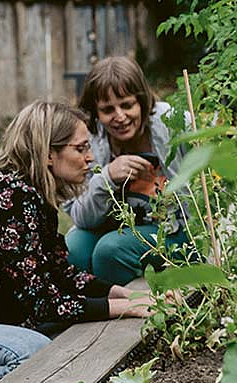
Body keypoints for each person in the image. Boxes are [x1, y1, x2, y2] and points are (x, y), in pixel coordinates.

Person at [0, 101, 162, 383]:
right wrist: (127, 309)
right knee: (33, 351)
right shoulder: (5, 197)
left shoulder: (28, 194)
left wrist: (128, 295)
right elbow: (44, 303)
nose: (90, 158)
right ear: (49, 154)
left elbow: (59, 272)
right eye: (80, 148)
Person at [65, 56, 191, 285]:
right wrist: (107, 178)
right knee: (73, 251)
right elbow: (81, 217)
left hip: (173, 230)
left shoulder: (172, 123)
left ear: (142, 102)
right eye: (107, 110)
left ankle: (127, 306)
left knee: (110, 251)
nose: (119, 117)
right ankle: (89, 310)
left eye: (126, 105)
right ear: (95, 113)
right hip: (113, 226)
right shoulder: (89, 139)